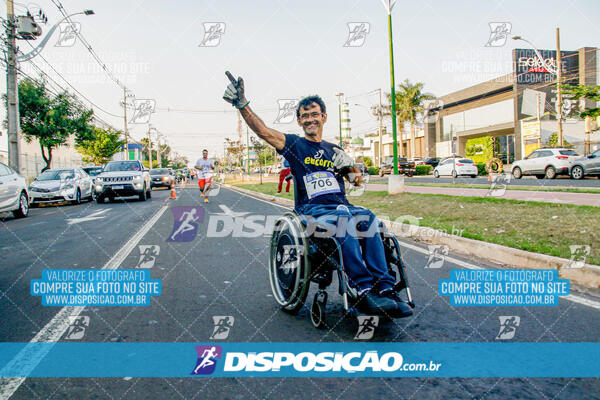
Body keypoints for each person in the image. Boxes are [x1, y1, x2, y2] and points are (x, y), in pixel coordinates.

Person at [222, 71, 412, 318]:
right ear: (299, 121)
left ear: (324, 117)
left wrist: (351, 165)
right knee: (344, 223)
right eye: (305, 116)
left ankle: (385, 288)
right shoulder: (294, 145)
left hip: (342, 206)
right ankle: (363, 288)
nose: (310, 119)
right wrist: (243, 106)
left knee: (370, 220)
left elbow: (355, 181)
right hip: (313, 211)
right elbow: (264, 132)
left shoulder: (334, 149)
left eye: (314, 114)